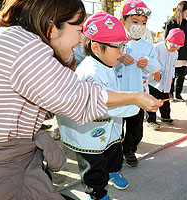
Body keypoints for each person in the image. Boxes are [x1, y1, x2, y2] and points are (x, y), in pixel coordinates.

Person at [0, 0, 162, 200]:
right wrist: (135, 98)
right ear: (52, 26)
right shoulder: (28, 48)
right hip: (8, 161)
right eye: (78, 29)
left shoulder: (15, 39)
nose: (80, 39)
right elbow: (78, 97)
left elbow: (47, 101)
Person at [57, 12, 141, 200]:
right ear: (96, 47)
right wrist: (136, 103)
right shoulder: (90, 72)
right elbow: (105, 103)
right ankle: (97, 194)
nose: (121, 51)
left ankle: (113, 171)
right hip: (87, 131)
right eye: (118, 47)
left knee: (113, 151)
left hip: (105, 126)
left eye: (123, 46)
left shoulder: (106, 64)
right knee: (93, 166)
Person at [116, 0, 160, 167]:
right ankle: (115, 151)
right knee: (116, 125)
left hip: (139, 93)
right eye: (135, 22)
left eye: (143, 23)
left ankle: (129, 149)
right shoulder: (116, 42)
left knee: (135, 126)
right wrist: (119, 58)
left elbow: (155, 66)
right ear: (123, 21)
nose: (139, 26)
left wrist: (147, 63)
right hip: (118, 93)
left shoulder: (148, 47)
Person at [147, 28, 185, 130]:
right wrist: (154, 71)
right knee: (153, 100)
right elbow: (150, 61)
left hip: (166, 81)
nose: (174, 48)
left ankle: (165, 117)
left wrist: (172, 77)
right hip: (154, 81)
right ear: (166, 40)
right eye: (173, 45)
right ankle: (151, 120)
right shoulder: (157, 48)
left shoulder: (175, 53)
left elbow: (173, 66)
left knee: (165, 99)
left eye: (178, 47)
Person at [165, 1, 187, 100]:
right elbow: (167, 38)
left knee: (181, 76)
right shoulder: (171, 22)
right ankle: (169, 93)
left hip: (186, 54)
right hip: (175, 53)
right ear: (182, 10)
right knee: (172, 75)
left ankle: (178, 94)